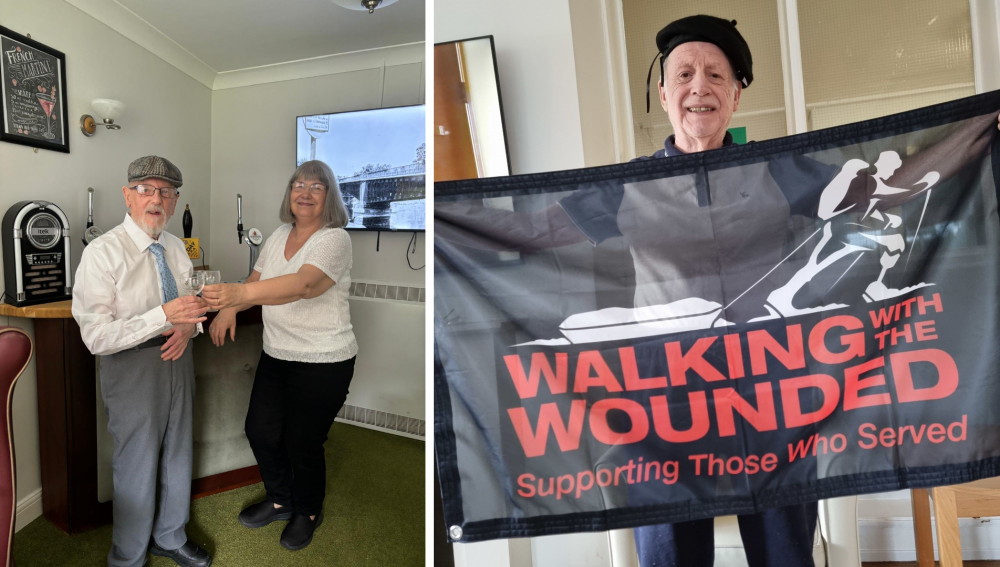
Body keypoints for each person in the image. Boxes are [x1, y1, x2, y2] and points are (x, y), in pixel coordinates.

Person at [202, 159, 358, 551]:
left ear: (329, 197)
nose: (304, 193)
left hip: (324, 360)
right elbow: (258, 278)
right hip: (278, 354)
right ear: (289, 195)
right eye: (298, 185)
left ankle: (307, 511)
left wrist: (236, 296)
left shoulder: (334, 239)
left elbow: (302, 286)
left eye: (316, 187)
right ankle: (280, 499)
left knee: (302, 442)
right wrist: (230, 307)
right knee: (260, 430)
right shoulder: (277, 235)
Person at [72, 156, 212, 567]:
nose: (156, 199)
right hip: (130, 364)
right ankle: (127, 557)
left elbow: (191, 304)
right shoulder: (102, 252)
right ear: (127, 195)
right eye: (146, 190)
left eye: (166, 192)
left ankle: (169, 536)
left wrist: (190, 327)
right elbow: (96, 336)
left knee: (178, 451)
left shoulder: (176, 247)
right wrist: (164, 317)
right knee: (135, 463)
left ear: (175, 201)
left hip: (179, 356)